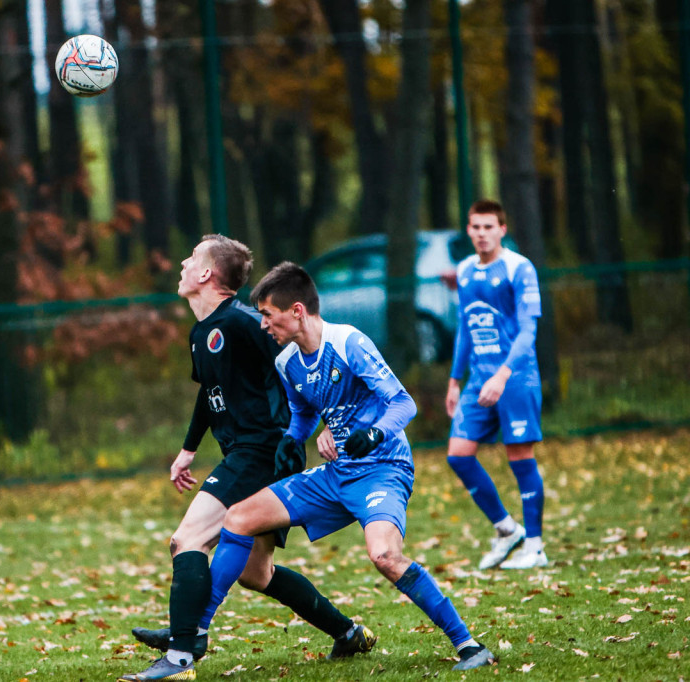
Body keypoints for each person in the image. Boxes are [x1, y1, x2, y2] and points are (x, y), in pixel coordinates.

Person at [191, 262, 496, 675]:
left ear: (296, 311)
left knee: (385, 556)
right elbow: (302, 413)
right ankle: (195, 632)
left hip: (383, 468)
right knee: (240, 517)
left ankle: (469, 644)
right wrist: (292, 439)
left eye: (267, 315)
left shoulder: (348, 342)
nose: (263, 325)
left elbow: (403, 403)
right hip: (336, 475)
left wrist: (374, 434)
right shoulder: (287, 363)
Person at [120, 236, 375, 682]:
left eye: (192, 259)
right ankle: (348, 632)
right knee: (257, 574)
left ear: (206, 274)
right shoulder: (202, 332)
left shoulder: (243, 323)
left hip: (264, 449)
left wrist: (330, 423)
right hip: (248, 451)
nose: (182, 263)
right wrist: (188, 449)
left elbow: (303, 355)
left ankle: (182, 654)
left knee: (188, 539)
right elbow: (209, 393)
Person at [444, 199, 547, 570]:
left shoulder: (520, 268)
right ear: (468, 231)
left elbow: (528, 331)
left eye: (489, 227)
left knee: (519, 456)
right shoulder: (466, 271)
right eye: (476, 227)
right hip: (477, 381)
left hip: (516, 378)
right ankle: (507, 530)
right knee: (458, 454)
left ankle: (534, 546)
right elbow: (466, 330)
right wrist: (455, 381)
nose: (482, 234)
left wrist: (502, 376)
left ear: (502, 229)